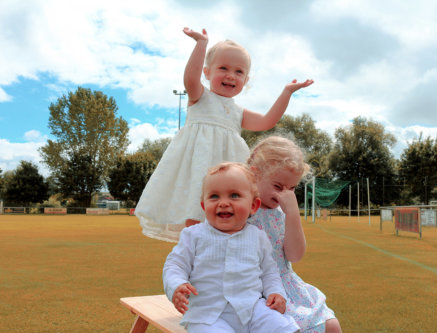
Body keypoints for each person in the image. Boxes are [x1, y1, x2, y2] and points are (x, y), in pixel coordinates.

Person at [135, 27, 314, 242]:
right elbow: (190, 81)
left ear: (245, 80)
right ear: (207, 72)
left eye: (239, 72)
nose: (231, 75)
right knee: (196, 209)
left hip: (230, 168)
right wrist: (201, 44)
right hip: (200, 167)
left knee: (235, 217)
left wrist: (286, 93)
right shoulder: (200, 98)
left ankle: (229, 257)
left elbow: (268, 121)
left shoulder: (238, 113)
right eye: (223, 68)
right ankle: (194, 254)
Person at [163, 162, 299, 333]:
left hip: (252, 308)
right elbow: (175, 265)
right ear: (204, 206)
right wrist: (177, 284)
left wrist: (277, 293)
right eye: (214, 196)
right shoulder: (193, 235)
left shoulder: (258, 237)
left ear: (253, 206)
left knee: (280, 326)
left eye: (234, 195)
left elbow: (269, 272)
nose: (223, 203)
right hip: (207, 315)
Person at [247, 136, 342, 333]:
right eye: (278, 187)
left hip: (287, 286)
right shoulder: (242, 209)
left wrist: (292, 214)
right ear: (254, 175)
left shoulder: (281, 212)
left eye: (292, 188)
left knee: (331, 325)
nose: (285, 194)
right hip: (256, 291)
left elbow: (295, 255)